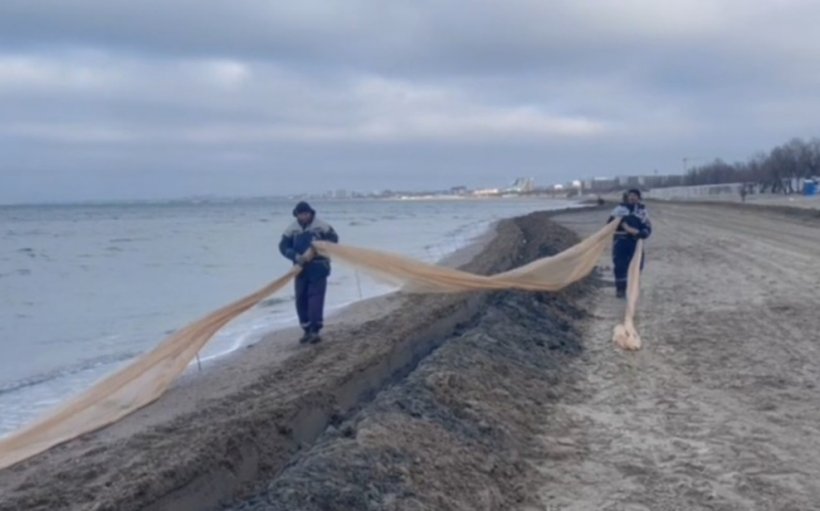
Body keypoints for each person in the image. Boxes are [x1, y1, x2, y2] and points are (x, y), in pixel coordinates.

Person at [279, 202, 339, 344]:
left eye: (306, 214)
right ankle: (306, 329)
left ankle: (315, 330)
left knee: (315, 298)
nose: (304, 216)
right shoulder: (292, 229)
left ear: (311, 213)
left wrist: (319, 246)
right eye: (301, 214)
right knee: (301, 299)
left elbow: (334, 239)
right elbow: (283, 246)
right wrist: (294, 255)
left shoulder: (322, 226)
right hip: (300, 269)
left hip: (319, 267)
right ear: (297, 215)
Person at [607, 189, 652, 298]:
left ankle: (632, 288)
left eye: (635, 196)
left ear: (638, 198)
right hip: (621, 242)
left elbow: (647, 226)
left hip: (636, 243)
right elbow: (609, 225)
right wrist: (623, 225)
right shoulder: (619, 210)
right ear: (626, 197)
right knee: (620, 265)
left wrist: (642, 232)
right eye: (630, 195)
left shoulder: (642, 211)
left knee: (637, 265)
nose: (632, 198)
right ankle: (621, 290)